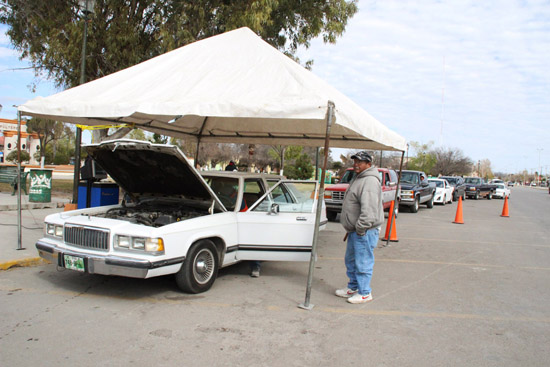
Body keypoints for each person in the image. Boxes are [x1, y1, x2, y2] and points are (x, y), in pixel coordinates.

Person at [336, 151, 384, 304]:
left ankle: (364, 292)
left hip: (363, 231)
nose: (356, 164)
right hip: (355, 230)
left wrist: (361, 228)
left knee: (362, 262)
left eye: (360, 162)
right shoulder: (359, 177)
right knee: (351, 260)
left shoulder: (369, 181)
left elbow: (369, 209)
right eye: (355, 161)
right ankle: (354, 287)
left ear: (368, 164)